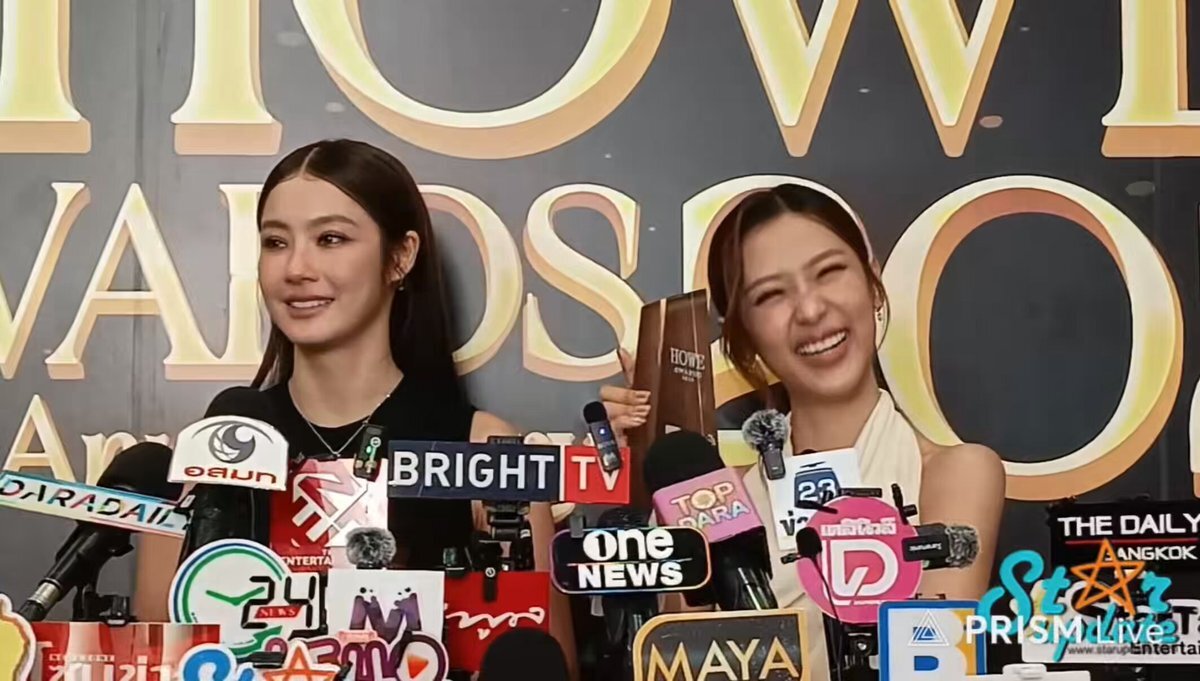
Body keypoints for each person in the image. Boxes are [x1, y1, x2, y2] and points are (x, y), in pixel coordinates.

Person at [133, 139, 577, 675]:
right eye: (275, 242)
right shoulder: (209, 457)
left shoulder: (484, 451)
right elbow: (156, 661)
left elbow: (540, 661)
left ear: (400, 256)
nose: (296, 267)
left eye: (331, 239)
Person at [602, 183, 1005, 665]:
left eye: (829, 272)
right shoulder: (714, 504)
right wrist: (642, 480)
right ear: (743, 336)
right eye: (772, 295)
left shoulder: (956, 474)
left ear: (873, 282)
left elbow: (934, 666)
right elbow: (681, 662)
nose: (811, 310)